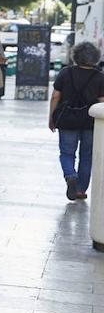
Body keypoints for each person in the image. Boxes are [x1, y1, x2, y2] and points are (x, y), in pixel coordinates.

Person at [49, 41, 104, 201]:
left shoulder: (65, 73)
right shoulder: (100, 77)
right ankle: (80, 190)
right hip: (91, 122)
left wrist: (52, 117)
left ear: (76, 55)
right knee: (87, 155)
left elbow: (55, 96)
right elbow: (102, 102)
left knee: (67, 153)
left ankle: (70, 175)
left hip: (67, 120)